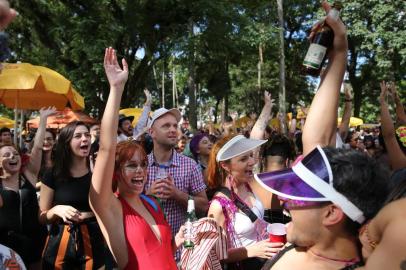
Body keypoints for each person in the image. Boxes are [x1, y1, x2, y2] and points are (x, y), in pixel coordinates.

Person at [257, 2, 390, 269]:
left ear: (331, 213)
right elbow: (317, 141)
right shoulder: (302, 246)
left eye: (297, 196)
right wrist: (338, 52)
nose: (284, 202)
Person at [89, 47, 183, 269]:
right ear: (115, 170)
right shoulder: (108, 206)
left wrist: (178, 240)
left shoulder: (152, 202)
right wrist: (116, 89)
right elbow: (105, 148)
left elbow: (162, 253)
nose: (140, 170)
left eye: (143, 164)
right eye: (131, 165)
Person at [39, 120, 111, 269]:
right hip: (60, 240)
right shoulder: (52, 174)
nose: (85, 139)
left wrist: (89, 214)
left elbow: (110, 208)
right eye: (78, 136)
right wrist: (55, 210)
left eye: (87, 135)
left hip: (94, 241)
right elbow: (41, 217)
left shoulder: (98, 172)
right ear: (66, 143)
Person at [207, 134, 283, 269]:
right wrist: (252, 250)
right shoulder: (218, 206)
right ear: (225, 165)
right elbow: (216, 254)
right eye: (243, 159)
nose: (252, 162)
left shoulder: (248, 185)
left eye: (251, 156)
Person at [145, 106, 208, 260]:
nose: (173, 129)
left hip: (183, 252)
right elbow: (126, 209)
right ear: (151, 132)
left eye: (175, 125)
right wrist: (147, 197)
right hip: (149, 250)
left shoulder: (190, 165)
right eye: (166, 126)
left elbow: (203, 205)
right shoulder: (140, 165)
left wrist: (177, 194)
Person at [0, 107, 54, 269]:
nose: (12, 157)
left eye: (15, 154)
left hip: (35, 240)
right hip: (7, 247)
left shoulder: (28, 174)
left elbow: (36, 148)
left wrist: (43, 119)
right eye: (6, 155)